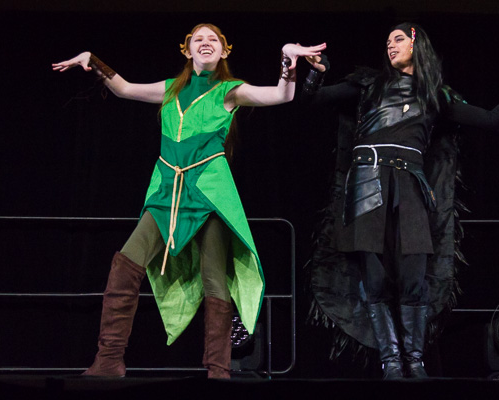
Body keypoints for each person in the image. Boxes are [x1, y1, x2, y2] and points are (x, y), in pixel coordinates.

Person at [53, 23, 325, 379]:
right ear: (187, 50)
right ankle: (109, 360)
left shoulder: (229, 90)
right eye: (199, 39)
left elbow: (281, 95)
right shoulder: (170, 89)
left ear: (224, 51)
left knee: (214, 278)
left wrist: (287, 61)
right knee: (125, 266)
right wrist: (93, 60)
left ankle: (218, 369)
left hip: (209, 191)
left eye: (213, 39)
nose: (206, 43)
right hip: (167, 190)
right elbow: (124, 88)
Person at [302, 22, 499, 379]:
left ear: (415, 44)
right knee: (374, 280)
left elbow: (492, 120)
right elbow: (312, 99)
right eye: (387, 41)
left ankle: (415, 360)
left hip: (409, 188)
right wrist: (316, 72)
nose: (390, 45)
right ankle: (391, 362)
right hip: (367, 187)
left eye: (398, 39)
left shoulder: (435, 96)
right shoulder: (369, 84)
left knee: (413, 279)